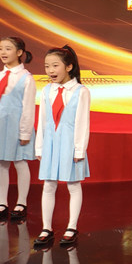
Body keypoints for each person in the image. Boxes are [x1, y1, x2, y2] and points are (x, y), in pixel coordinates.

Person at [33, 45, 90, 247]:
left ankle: (71, 227)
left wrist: (79, 149)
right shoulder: (47, 90)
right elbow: (42, 120)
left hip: (70, 144)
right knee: (49, 185)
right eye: (47, 66)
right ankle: (46, 228)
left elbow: (83, 123)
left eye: (55, 65)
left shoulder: (81, 91)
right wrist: (39, 147)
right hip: (50, 143)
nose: (50, 70)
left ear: (69, 67)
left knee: (73, 185)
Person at [0, 37, 37, 221]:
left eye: (8, 48)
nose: (3, 52)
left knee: (20, 162)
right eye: (0, 48)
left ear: (19, 52)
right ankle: (2, 204)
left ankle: (21, 203)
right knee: (1, 163)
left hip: (18, 124)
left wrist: (25, 132)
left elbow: (28, 107)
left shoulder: (26, 78)